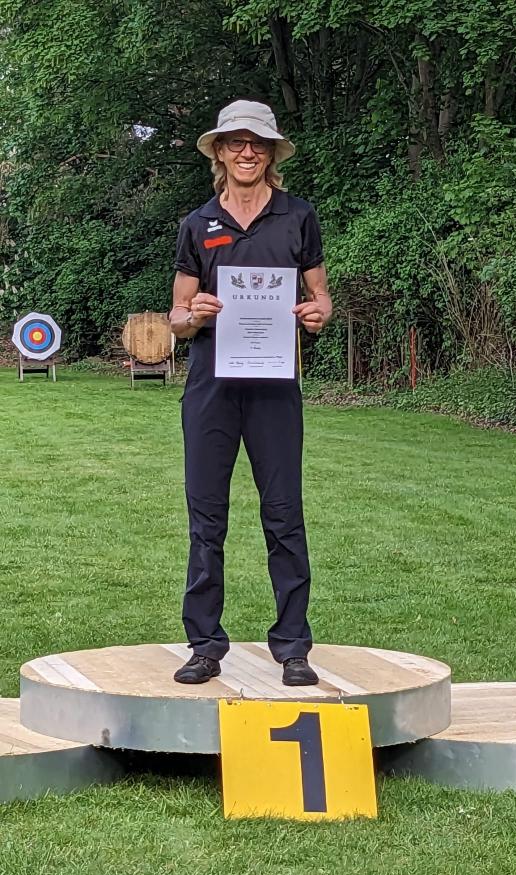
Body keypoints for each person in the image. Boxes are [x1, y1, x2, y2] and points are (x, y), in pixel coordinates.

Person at [170, 99, 332, 686]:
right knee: (206, 518)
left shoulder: (298, 216)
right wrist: (194, 315)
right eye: (235, 142)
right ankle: (204, 644)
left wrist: (317, 314)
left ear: (270, 153)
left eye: (256, 143)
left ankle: (293, 646)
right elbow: (176, 316)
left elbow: (321, 298)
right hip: (211, 388)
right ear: (219, 151)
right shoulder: (198, 224)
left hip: (274, 388)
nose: (246, 152)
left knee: (284, 515)